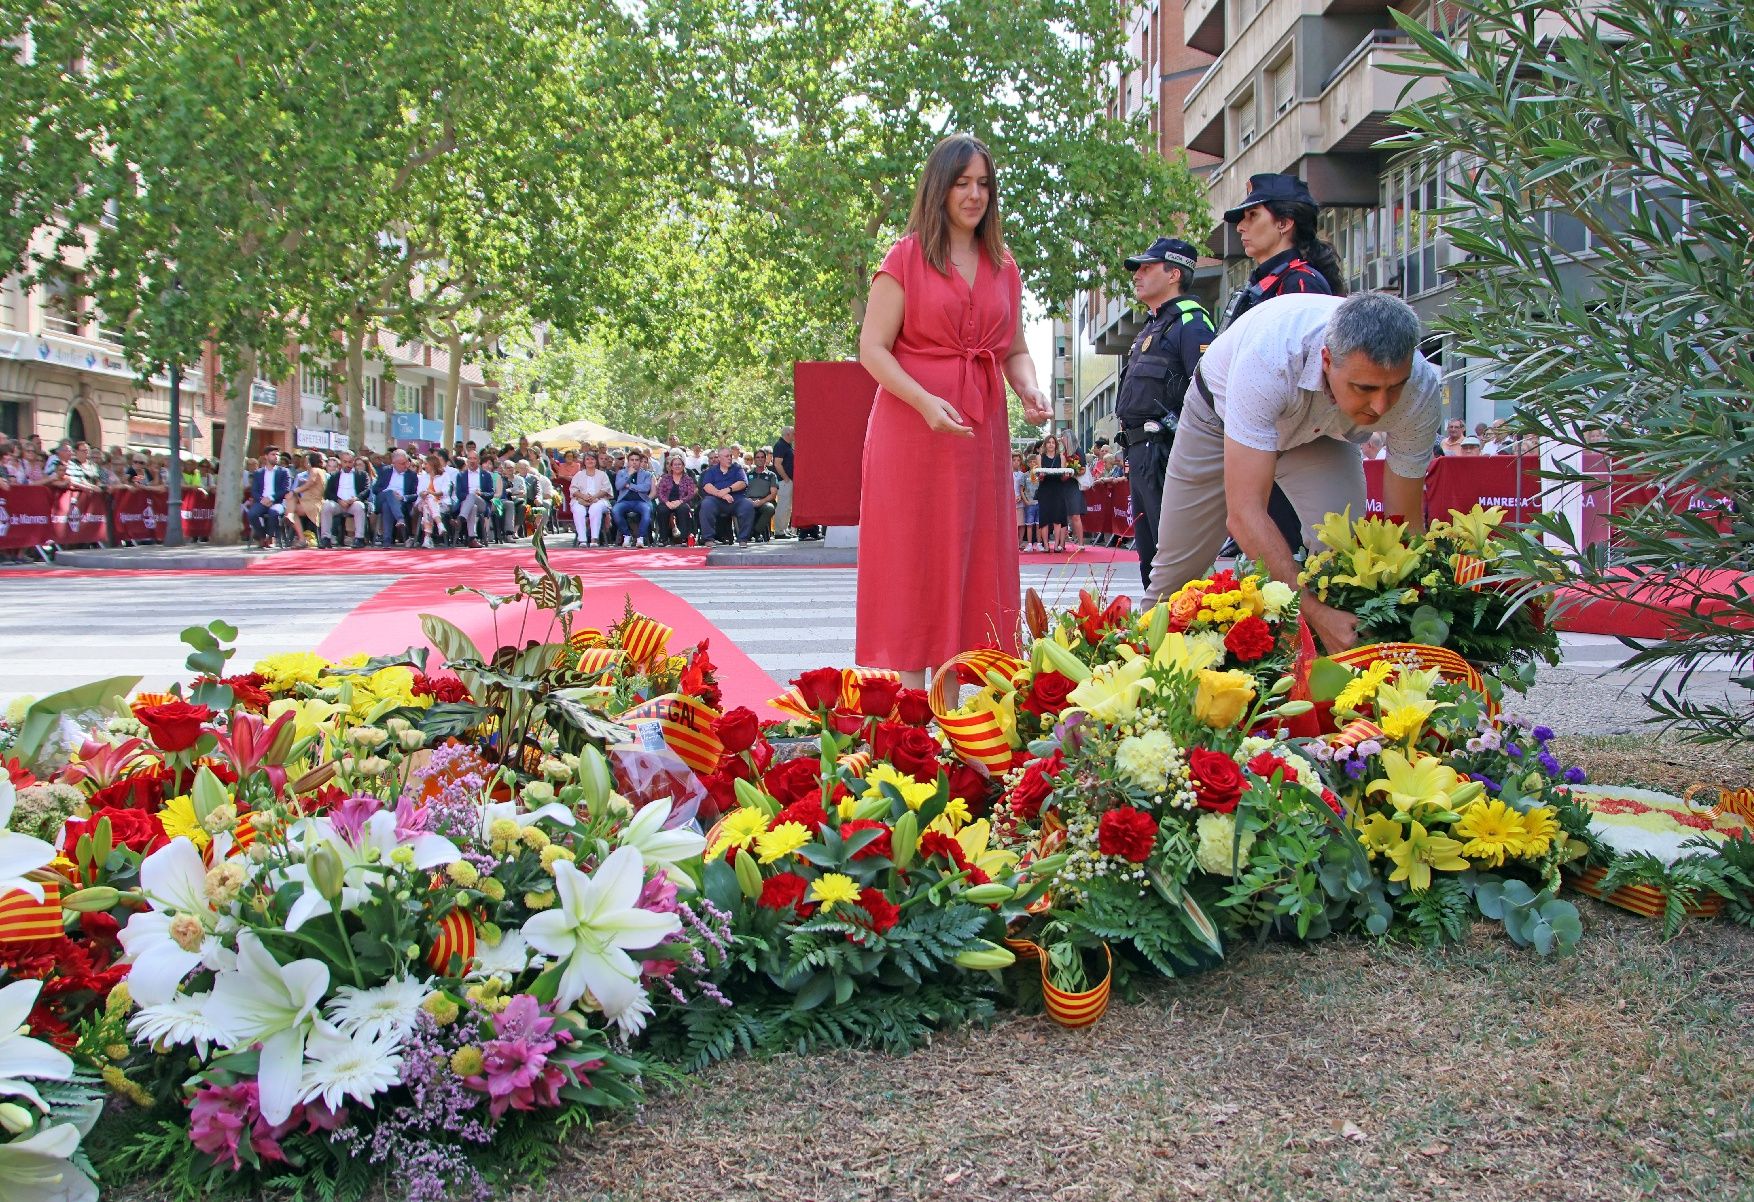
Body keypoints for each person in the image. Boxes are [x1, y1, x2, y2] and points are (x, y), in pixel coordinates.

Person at [854, 134, 1050, 686]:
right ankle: (914, 709)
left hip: (978, 432)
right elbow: (872, 348)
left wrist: (1029, 389)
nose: (974, 194)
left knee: (976, 555)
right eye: (962, 182)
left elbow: (1014, 349)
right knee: (916, 555)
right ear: (939, 187)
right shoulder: (906, 256)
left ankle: (962, 704)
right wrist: (923, 402)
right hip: (913, 430)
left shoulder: (1003, 265)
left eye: (984, 183)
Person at [1145, 292, 1443, 653]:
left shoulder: (1421, 388)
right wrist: (1316, 613)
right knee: (1176, 575)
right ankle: (1141, 677)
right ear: (1328, 359)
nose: (1380, 406)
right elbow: (1245, 514)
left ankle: (1336, 685)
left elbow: (1404, 525)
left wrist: (1420, 620)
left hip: (1321, 433)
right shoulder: (1270, 358)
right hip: (1219, 420)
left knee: (1346, 557)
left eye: (1393, 387)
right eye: (1364, 388)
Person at [1113, 236, 1216, 589]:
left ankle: (1180, 635)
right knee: (1149, 557)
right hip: (1140, 452)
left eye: (1147, 267)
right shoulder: (1154, 325)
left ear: (1174, 274)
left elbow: (1207, 393)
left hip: (1166, 453)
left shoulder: (1191, 323)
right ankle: (1155, 635)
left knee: (1171, 558)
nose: (1137, 275)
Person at [697, 446, 755, 546]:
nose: (729, 458)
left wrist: (728, 489)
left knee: (748, 504)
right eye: (727, 456)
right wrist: (722, 495)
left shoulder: (737, 468)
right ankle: (708, 539)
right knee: (706, 504)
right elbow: (707, 486)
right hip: (717, 500)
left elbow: (743, 483)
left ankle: (743, 539)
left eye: (730, 456)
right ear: (719, 458)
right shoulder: (711, 470)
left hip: (736, 500)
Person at [1034, 433, 1076, 553]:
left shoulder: (1061, 457)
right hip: (1045, 489)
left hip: (1058, 489)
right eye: (1048, 442)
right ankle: (1046, 545)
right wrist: (1041, 476)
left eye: (1053, 442)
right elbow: (1039, 478)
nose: (1051, 445)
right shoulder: (1040, 457)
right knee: (1045, 518)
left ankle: (1057, 545)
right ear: (1045, 444)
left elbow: (1063, 477)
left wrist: (1066, 476)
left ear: (1056, 445)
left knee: (1058, 518)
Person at [319, 450, 370, 548]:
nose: (347, 464)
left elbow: (366, 490)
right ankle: (326, 538)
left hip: (353, 503)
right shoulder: (334, 476)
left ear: (353, 461)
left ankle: (359, 538)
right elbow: (327, 493)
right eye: (345, 462)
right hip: (338, 503)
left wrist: (356, 498)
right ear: (341, 462)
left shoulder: (362, 475)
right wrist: (339, 500)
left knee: (360, 506)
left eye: (350, 462)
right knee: (326, 505)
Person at [374, 449, 421, 546]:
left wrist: (403, 497)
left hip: (401, 503)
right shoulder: (385, 471)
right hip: (382, 498)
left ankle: (387, 540)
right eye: (402, 463)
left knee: (387, 505)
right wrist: (388, 493)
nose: (405, 465)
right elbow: (375, 489)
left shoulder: (411, 475)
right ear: (393, 463)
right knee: (389, 493)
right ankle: (400, 518)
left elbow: (415, 495)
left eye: (406, 462)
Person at [245, 451, 292, 548]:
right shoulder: (259, 472)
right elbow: (254, 490)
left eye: (278, 455)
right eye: (273, 454)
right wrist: (262, 499)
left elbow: (285, 489)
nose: (276, 457)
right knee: (252, 514)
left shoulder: (284, 471)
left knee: (273, 512)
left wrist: (271, 498)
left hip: (277, 502)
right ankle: (262, 537)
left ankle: (270, 537)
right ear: (266, 456)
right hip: (262, 502)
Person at [454, 450, 501, 546]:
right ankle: (472, 538)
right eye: (470, 458)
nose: (472, 461)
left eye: (474, 458)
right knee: (472, 505)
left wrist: (481, 493)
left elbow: (491, 494)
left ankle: (460, 519)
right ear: (467, 460)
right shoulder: (461, 475)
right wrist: (469, 497)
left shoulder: (486, 475)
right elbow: (459, 494)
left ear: (478, 460)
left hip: (482, 503)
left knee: (473, 497)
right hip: (466, 503)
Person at [612, 449, 655, 547]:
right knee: (615, 510)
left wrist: (630, 486)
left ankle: (640, 538)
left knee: (647, 511)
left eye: (636, 460)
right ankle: (627, 535)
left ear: (640, 462)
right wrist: (629, 475)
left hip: (641, 501)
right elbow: (618, 486)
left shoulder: (646, 474)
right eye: (632, 460)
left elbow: (645, 488)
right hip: (624, 501)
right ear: (628, 461)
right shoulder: (621, 473)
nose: (634, 462)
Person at [569, 450, 613, 545]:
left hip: (599, 499)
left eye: (592, 459)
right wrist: (583, 496)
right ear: (584, 462)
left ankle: (594, 539)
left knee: (595, 508)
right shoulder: (578, 474)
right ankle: (582, 540)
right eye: (587, 459)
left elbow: (606, 489)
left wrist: (594, 497)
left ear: (596, 461)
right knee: (578, 509)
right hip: (580, 499)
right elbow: (573, 490)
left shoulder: (602, 474)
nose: (590, 461)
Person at [655, 452, 698, 544]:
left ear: (683, 466)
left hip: (682, 501)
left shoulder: (688, 479)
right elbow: (660, 492)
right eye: (675, 464)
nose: (677, 466)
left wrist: (681, 501)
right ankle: (663, 538)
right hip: (667, 502)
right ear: (671, 466)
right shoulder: (665, 478)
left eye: (679, 464)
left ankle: (683, 538)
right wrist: (667, 502)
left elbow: (690, 493)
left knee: (684, 509)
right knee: (662, 510)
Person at [413, 452, 453, 548]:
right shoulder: (423, 477)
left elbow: (444, 492)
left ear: (432, 464)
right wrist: (425, 494)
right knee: (428, 500)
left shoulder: (444, 476)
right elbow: (420, 492)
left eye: (426, 464)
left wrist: (431, 493)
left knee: (428, 505)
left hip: (441, 503)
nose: (424, 466)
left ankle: (427, 538)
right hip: (423, 503)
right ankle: (439, 524)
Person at [287, 451, 328, 547]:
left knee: (292, 510)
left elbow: (310, 484)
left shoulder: (315, 470)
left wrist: (294, 491)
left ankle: (301, 538)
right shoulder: (322, 471)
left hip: (313, 503)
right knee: (292, 500)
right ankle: (289, 515)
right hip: (310, 501)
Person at [745, 449, 780, 540]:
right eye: (757, 457)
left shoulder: (772, 475)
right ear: (754, 460)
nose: (760, 459)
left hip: (765, 501)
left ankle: (755, 532)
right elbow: (743, 491)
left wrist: (761, 502)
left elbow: (773, 494)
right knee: (738, 506)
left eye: (762, 457)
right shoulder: (748, 474)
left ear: (765, 459)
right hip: (749, 501)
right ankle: (743, 533)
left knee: (770, 508)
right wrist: (748, 500)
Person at [771, 425, 796, 539]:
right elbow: (777, 463)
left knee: (787, 507)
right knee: (783, 505)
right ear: (787, 434)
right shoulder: (780, 445)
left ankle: (784, 529)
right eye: (793, 434)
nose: (795, 436)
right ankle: (779, 531)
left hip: (788, 480)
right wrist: (785, 478)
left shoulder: (787, 446)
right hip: (784, 481)